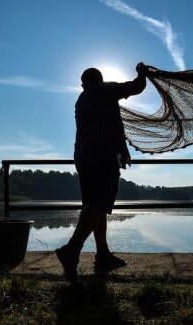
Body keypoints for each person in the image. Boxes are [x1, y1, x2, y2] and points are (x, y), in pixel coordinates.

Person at [55, 62, 148, 280]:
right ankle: (71, 250)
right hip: (101, 157)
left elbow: (109, 123)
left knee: (96, 206)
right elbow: (136, 87)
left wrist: (122, 148)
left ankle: (103, 253)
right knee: (97, 205)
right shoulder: (102, 90)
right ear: (99, 80)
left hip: (85, 158)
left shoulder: (82, 99)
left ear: (82, 83)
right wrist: (142, 74)